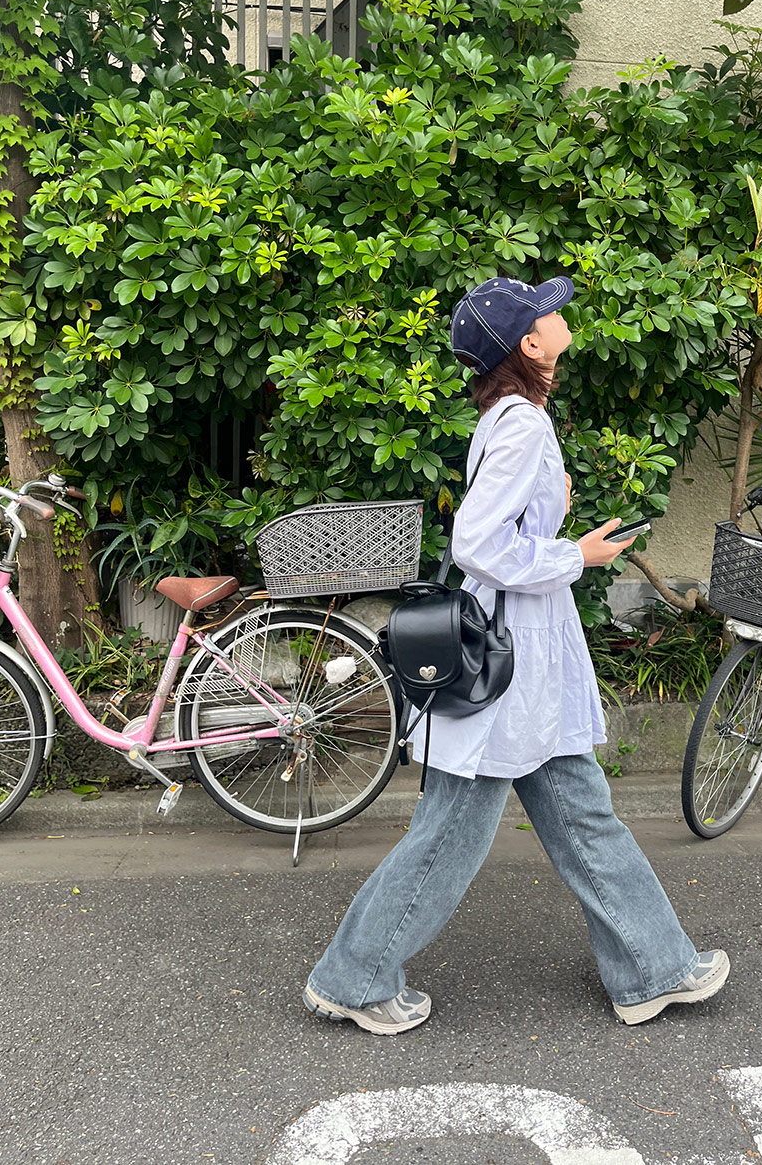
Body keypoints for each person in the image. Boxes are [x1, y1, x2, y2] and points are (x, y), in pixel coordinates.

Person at [303, 275, 729, 1035]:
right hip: (508, 668)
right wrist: (579, 553)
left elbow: (500, 529)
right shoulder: (523, 425)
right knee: (448, 838)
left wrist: (552, 512)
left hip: (520, 665)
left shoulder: (511, 416)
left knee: (581, 813)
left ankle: (651, 968)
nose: (560, 317)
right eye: (546, 313)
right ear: (529, 344)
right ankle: (354, 977)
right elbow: (477, 544)